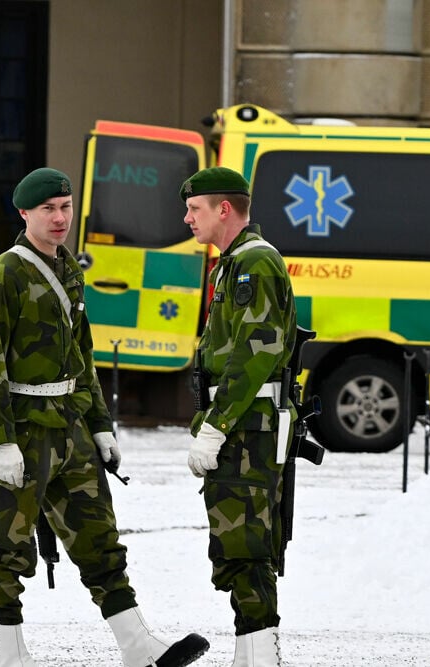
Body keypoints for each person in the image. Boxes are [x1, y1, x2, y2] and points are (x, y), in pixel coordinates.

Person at [0, 167, 209, 667]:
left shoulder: (68, 268)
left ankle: (137, 646)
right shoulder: (3, 276)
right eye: (48, 209)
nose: (59, 218)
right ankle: (8, 654)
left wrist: (99, 424)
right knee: (7, 547)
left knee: (99, 537)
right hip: (24, 427)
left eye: (66, 207)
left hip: (69, 426)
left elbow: (82, 354)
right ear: (24, 214)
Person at [181, 167, 298, 667]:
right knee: (235, 549)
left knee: (249, 548)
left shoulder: (255, 264)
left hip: (249, 428)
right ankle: (250, 654)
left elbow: (256, 353)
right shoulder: (232, 264)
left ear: (223, 209)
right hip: (240, 427)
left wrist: (216, 425)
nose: (187, 218)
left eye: (195, 208)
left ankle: (262, 657)